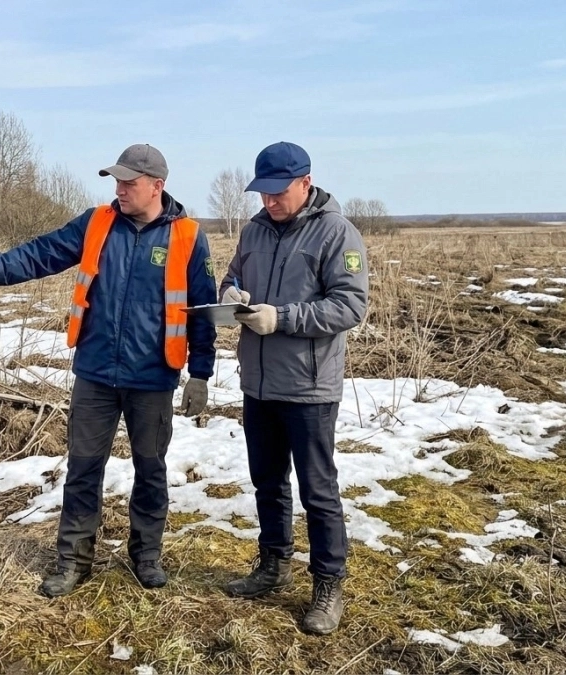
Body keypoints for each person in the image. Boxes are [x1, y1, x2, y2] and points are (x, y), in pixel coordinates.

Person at [0, 144, 217, 597]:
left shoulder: (187, 236)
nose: (119, 190)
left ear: (156, 186)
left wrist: (200, 372)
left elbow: (202, 308)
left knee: (150, 468)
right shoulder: (96, 223)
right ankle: (73, 561)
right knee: (84, 469)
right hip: (96, 373)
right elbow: (40, 254)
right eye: (116, 182)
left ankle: (146, 556)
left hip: (153, 377)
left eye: (129, 183)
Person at [218, 141, 368, 635]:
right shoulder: (256, 231)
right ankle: (272, 564)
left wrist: (281, 318)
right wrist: (231, 294)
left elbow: (349, 307)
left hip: (308, 387)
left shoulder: (336, 233)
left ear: (306, 183)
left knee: (318, 491)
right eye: (261, 193)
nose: (268, 203)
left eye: (277, 193)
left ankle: (328, 584)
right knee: (267, 481)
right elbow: (233, 275)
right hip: (259, 384)